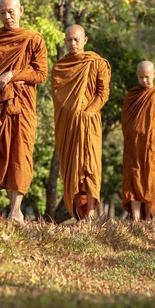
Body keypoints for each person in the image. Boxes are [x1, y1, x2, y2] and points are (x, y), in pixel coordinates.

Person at [0, 0, 48, 225]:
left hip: (23, 107)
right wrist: (4, 84)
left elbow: (40, 74)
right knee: (5, 154)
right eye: (2, 12)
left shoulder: (33, 39)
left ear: (21, 10)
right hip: (0, 107)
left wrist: (13, 75)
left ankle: (16, 210)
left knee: (21, 154)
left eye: (11, 11)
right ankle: (14, 211)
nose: (7, 16)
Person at [52, 25, 111, 220]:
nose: (73, 43)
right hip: (68, 127)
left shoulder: (96, 63)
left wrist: (87, 112)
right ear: (64, 42)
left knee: (90, 168)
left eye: (76, 39)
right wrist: (74, 114)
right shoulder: (60, 68)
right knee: (72, 171)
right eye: (69, 40)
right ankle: (79, 216)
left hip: (89, 123)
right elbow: (59, 99)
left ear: (85, 40)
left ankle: (91, 215)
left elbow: (103, 93)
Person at [121, 61, 155, 221]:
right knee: (133, 177)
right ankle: (136, 219)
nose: (144, 80)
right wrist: (134, 134)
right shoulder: (131, 95)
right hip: (134, 146)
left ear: (154, 74)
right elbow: (125, 119)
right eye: (141, 77)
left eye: (147, 77)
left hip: (152, 146)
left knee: (151, 179)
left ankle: (149, 217)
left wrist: (151, 132)